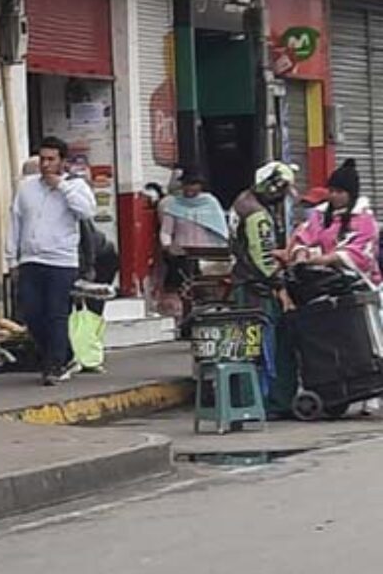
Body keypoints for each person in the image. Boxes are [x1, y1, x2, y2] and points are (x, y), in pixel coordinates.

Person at [6, 135, 97, 384]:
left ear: (62, 162)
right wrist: (12, 259)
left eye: (51, 160)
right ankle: (64, 354)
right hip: (30, 259)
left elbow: (87, 211)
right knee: (33, 314)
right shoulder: (27, 187)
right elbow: (15, 221)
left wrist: (62, 187)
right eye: (42, 159)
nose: (45, 165)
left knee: (56, 313)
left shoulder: (75, 187)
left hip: (61, 262)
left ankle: (54, 365)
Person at [230, 162, 296, 416]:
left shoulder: (241, 202)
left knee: (251, 348)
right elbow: (264, 259)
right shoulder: (256, 214)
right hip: (256, 293)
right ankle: (264, 402)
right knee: (264, 350)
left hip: (243, 285)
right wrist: (281, 287)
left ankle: (256, 400)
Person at [289, 159, 378, 286]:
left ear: (351, 194)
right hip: (327, 283)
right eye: (331, 191)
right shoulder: (320, 215)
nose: (334, 195)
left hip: (362, 284)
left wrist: (327, 259)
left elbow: (361, 253)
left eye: (339, 192)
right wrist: (301, 254)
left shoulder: (365, 219)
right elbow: (303, 238)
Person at [159, 168, 230, 297]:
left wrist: (221, 252)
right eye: (187, 184)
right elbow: (166, 232)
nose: (190, 188)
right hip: (182, 256)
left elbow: (221, 230)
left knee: (207, 291)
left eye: (193, 184)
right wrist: (168, 246)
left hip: (207, 257)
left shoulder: (211, 203)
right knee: (182, 291)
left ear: (200, 186)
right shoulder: (173, 204)